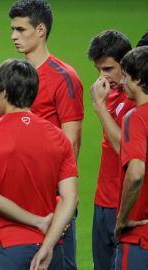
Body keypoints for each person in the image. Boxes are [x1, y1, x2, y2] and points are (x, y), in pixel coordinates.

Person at [0, 59, 78, 270]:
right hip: (51, 250)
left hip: (6, 249)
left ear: (2, 93)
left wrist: (37, 221)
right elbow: (71, 197)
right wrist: (48, 245)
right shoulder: (58, 136)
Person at [9, 2, 84, 266]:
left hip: (51, 196)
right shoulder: (16, 77)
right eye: (12, 29)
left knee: (59, 263)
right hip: (19, 193)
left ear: (40, 30)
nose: (13, 36)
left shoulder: (64, 77)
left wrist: (61, 199)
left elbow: (71, 142)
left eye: (20, 29)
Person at [86, 30, 134, 270]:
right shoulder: (111, 95)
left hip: (126, 203)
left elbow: (122, 148)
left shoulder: (137, 101)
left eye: (108, 69)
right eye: (98, 70)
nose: (101, 78)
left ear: (126, 63)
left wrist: (99, 107)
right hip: (103, 201)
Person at [114, 46, 148, 269]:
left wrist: (123, 220)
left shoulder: (135, 117)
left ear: (137, 79)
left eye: (125, 76)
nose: (122, 82)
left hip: (139, 236)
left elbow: (136, 174)